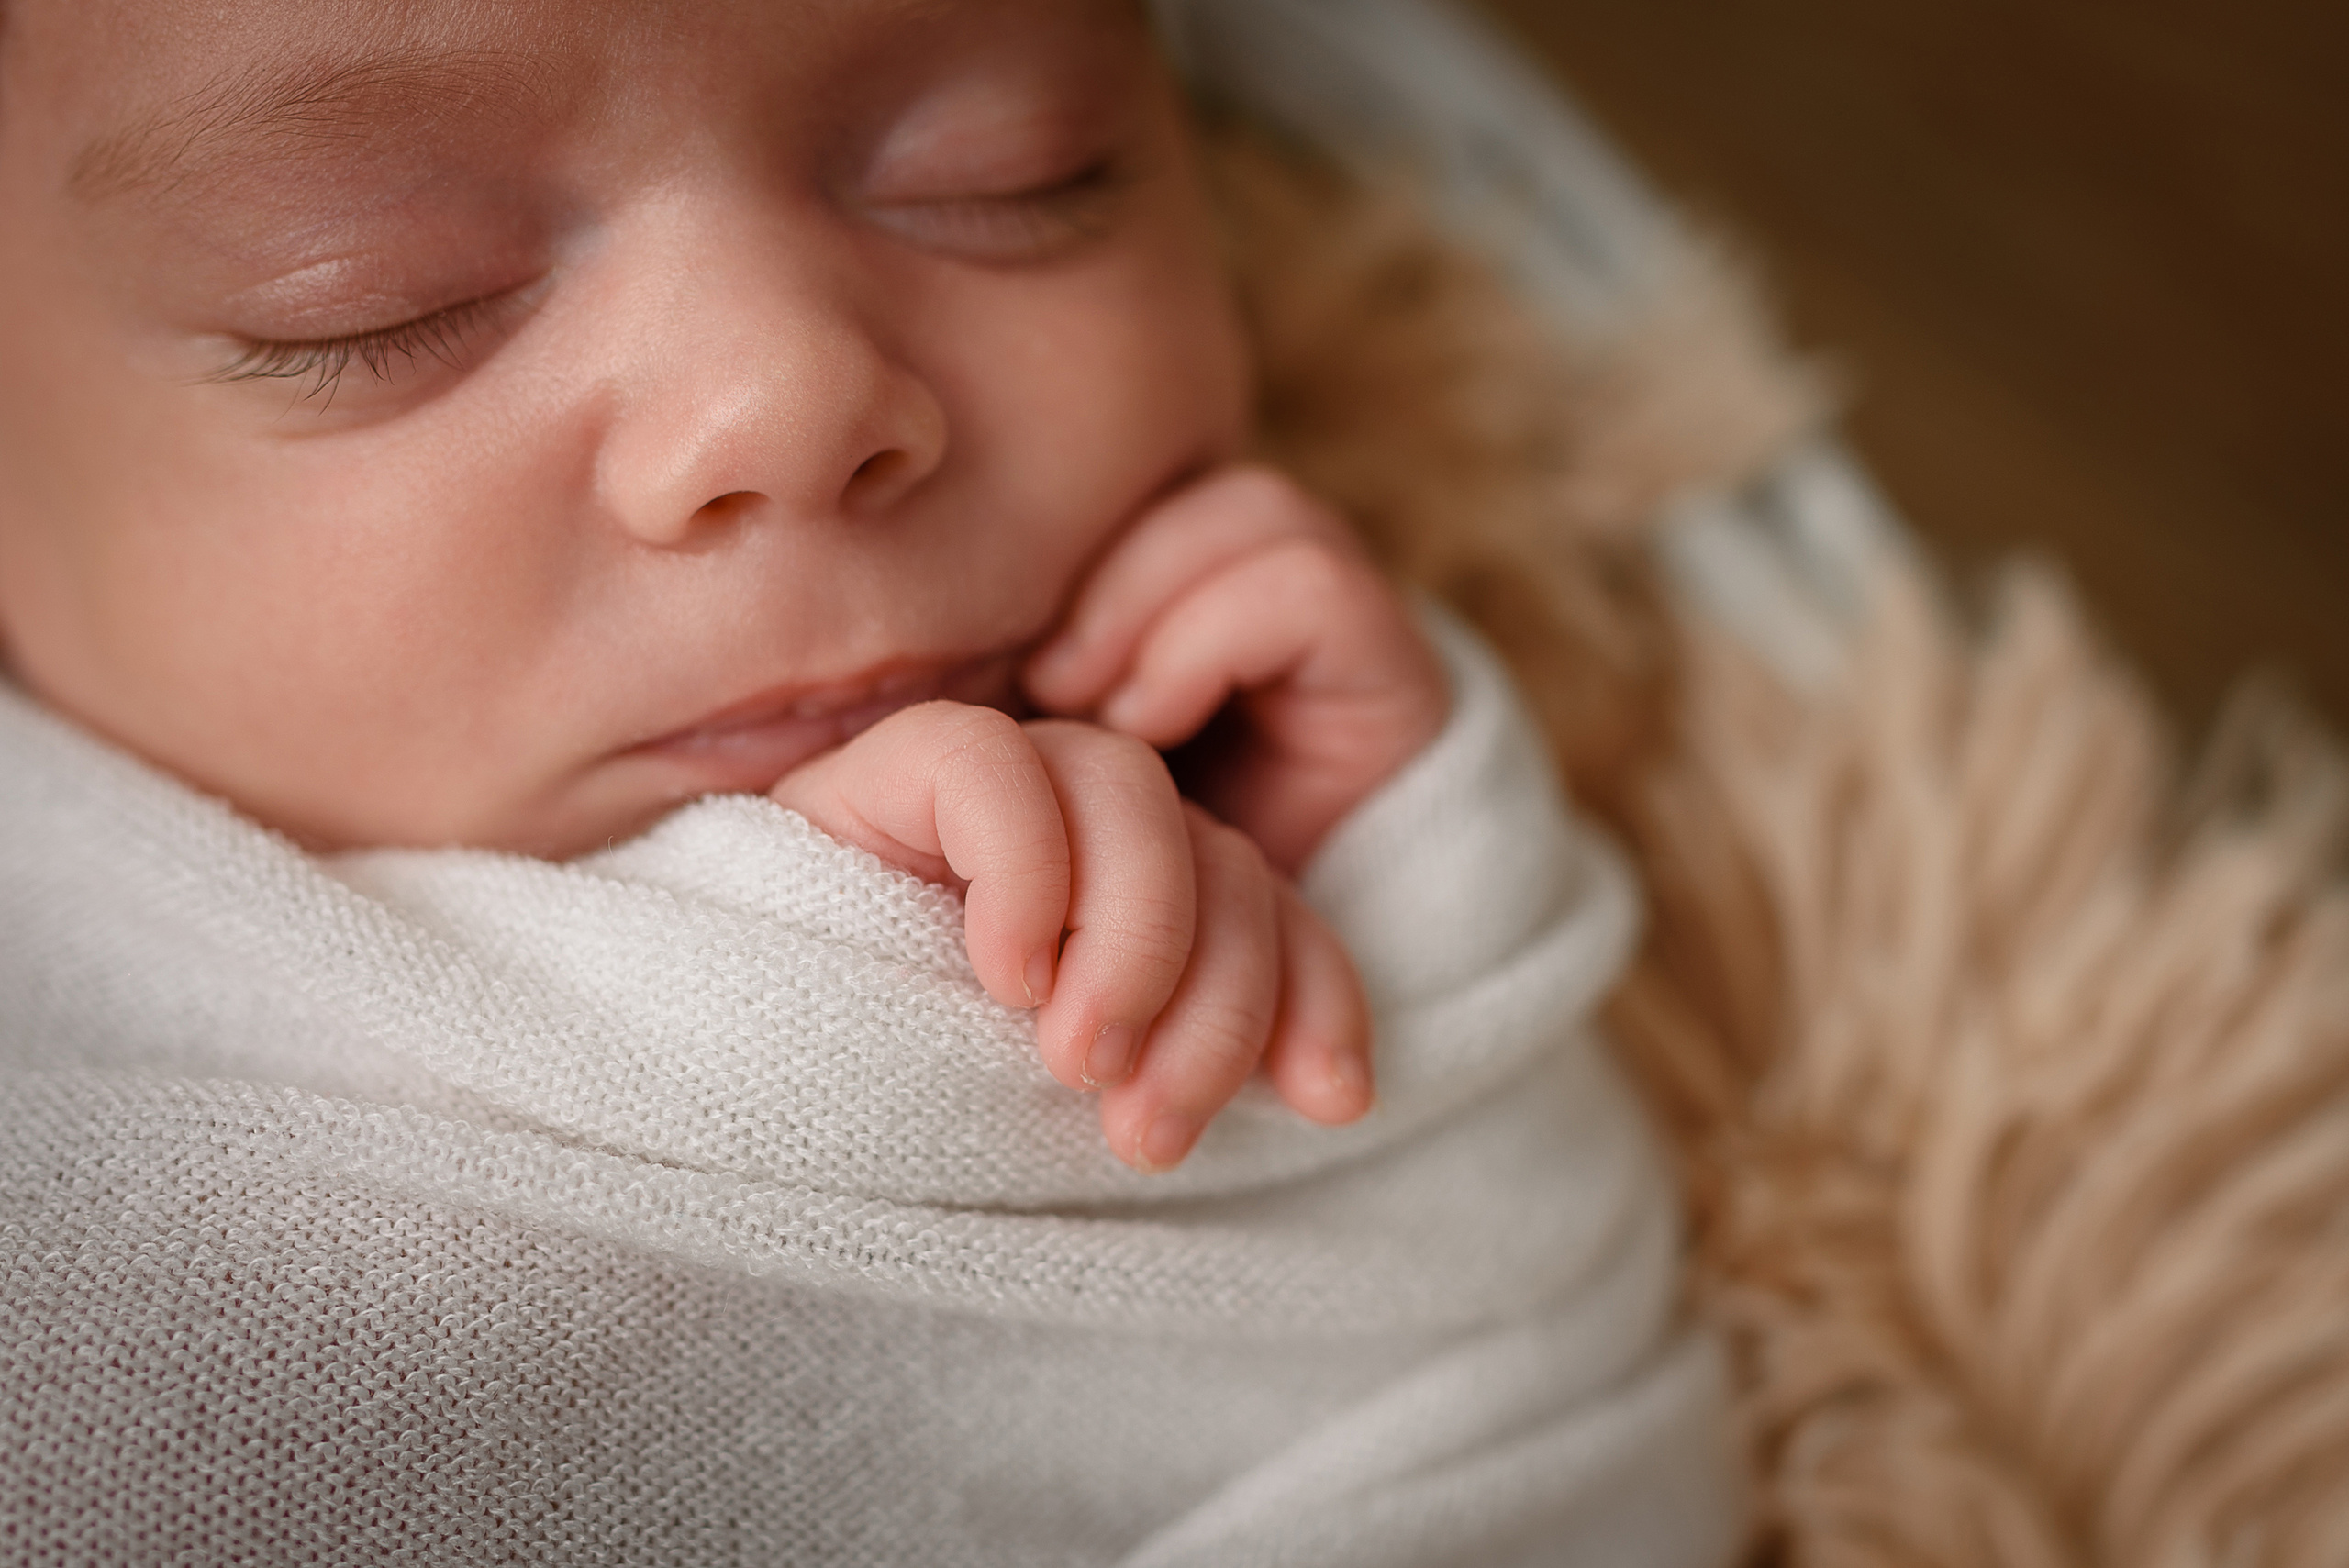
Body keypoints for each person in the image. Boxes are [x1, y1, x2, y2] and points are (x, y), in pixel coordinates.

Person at [0, 0, 1742, 1561]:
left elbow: (1581, 1448)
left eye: (1005, 171)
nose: (793, 393)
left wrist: (1377, 900)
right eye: (379, 299)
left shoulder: (1277, 732)